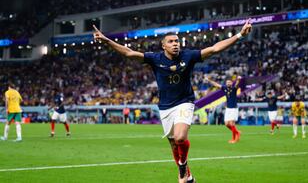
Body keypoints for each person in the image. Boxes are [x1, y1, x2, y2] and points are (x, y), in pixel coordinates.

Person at [93, 19, 252, 183]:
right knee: (174, 144)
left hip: (185, 101)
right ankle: (188, 175)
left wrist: (240, 34)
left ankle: (183, 166)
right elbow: (129, 53)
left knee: (180, 137)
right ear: (164, 46)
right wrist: (106, 40)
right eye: (171, 42)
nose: (175, 44)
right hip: (165, 107)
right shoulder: (155, 58)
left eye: (177, 41)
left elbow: (214, 48)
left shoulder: (188, 56)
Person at [205, 76, 242, 143]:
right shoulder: (224, 88)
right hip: (228, 108)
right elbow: (216, 84)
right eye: (227, 82)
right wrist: (209, 80)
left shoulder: (234, 89)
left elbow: (237, 84)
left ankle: (234, 139)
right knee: (226, 124)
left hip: (233, 108)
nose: (228, 83)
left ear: (231, 83)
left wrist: (238, 80)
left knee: (231, 123)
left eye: (229, 82)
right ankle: (237, 132)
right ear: (226, 83)